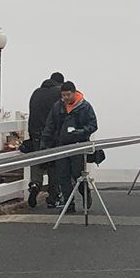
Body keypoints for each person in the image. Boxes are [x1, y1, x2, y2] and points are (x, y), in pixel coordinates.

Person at [43, 80, 97, 211]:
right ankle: (68, 204)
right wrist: (45, 142)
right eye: (63, 95)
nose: (65, 98)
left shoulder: (85, 107)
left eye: (68, 95)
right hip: (61, 145)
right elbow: (50, 125)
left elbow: (93, 125)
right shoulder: (57, 107)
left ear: (74, 93)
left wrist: (82, 131)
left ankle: (85, 194)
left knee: (77, 174)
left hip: (78, 145)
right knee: (63, 175)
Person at [24, 70, 64, 210]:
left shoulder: (36, 93)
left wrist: (31, 134)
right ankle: (52, 197)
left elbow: (32, 115)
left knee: (37, 162)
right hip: (52, 135)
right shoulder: (59, 93)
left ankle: (35, 185)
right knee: (54, 165)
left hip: (35, 133)